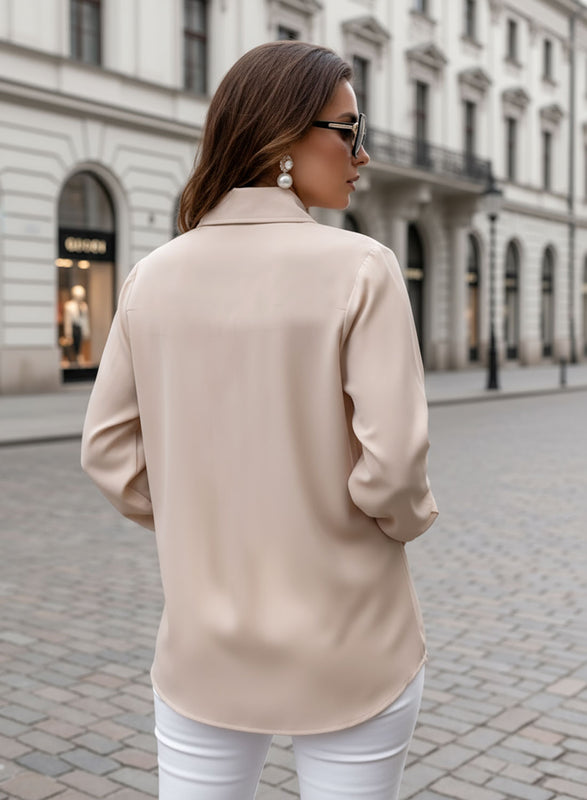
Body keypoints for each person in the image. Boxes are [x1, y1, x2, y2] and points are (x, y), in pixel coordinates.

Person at [81, 40, 438, 800]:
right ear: (282, 137)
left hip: (205, 642)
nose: (363, 152)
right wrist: (404, 522)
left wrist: (203, 516)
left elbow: (109, 453)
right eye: (346, 129)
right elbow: (396, 473)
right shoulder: (361, 268)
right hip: (351, 640)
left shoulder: (153, 277)